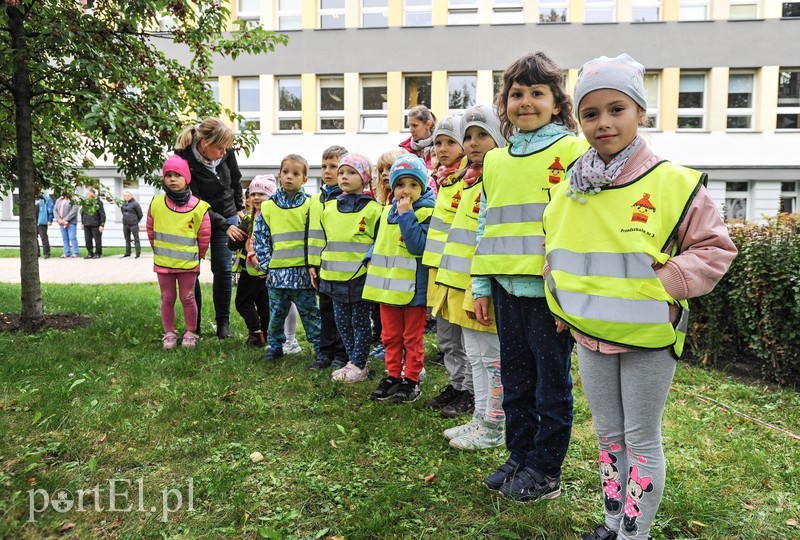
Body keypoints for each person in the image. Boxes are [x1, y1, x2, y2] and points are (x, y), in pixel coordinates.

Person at [542, 54, 737, 540]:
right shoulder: (571, 189)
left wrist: (665, 285)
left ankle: (635, 533)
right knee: (608, 436)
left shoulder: (672, 183)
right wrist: (561, 304)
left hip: (649, 336)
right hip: (591, 336)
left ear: (640, 114)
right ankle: (613, 524)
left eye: (616, 109)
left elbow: (715, 249)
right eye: (590, 113)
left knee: (641, 437)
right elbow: (554, 251)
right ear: (578, 120)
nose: (603, 122)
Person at [471, 51, 590, 502]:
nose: (525, 101)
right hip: (504, 288)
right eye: (516, 93)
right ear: (505, 103)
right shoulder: (496, 160)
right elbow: (486, 225)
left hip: (548, 295)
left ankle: (545, 470)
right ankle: (518, 455)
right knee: (516, 382)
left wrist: (569, 297)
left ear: (557, 103)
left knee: (550, 386)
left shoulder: (573, 151)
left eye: (537, 93)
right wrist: (481, 284)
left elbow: (583, 225)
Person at [435, 104, 507, 450]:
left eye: (483, 135)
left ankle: (496, 422)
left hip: (485, 284)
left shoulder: (495, 180)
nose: (474, 143)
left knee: (492, 357)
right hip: (467, 284)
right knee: (476, 355)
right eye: (468, 136)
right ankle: (481, 416)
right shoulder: (469, 181)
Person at [362, 154, 435, 403]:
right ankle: (393, 375)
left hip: (414, 291)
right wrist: (369, 257)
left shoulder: (425, 212)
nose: (406, 190)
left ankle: (411, 379)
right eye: (401, 184)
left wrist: (407, 215)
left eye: (413, 185)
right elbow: (381, 240)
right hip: (388, 289)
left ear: (422, 187)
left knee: (411, 338)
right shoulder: (386, 212)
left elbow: (417, 245)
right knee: (390, 336)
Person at [310, 154, 382, 382]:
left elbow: (378, 243)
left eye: (351, 172)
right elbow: (322, 240)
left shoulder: (373, 210)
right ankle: (355, 360)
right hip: (333, 278)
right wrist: (315, 265)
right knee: (342, 323)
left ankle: (358, 363)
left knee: (360, 323)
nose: (344, 177)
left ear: (364, 177)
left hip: (360, 278)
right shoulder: (329, 208)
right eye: (341, 173)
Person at [421, 114, 474, 417]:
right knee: (446, 339)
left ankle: (471, 392)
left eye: (450, 142)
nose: (442, 148)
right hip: (440, 273)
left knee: (465, 339)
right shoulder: (442, 182)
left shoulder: (469, 181)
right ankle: (456, 385)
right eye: (438, 142)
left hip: (461, 274)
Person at [174, 118, 246, 339]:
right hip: (196, 218)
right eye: (219, 148)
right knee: (191, 271)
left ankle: (223, 324)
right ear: (204, 143)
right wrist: (224, 225)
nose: (224, 152)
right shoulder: (183, 159)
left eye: (227, 148)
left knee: (223, 270)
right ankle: (193, 326)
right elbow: (194, 200)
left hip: (227, 213)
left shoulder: (226, 151)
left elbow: (235, 181)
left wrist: (239, 208)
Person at [253, 154, 322, 362]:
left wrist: (315, 264)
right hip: (277, 274)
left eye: (295, 173)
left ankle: (320, 347)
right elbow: (261, 237)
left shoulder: (311, 205)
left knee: (310, 313)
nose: (289, 177)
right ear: (279, 175)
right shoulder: (268, 207)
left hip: (303, 274)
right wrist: (266, 265)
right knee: (276, 314)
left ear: (305, 179)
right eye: (285, 172)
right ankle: (275, 346)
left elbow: (317, 235)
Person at [146, 155, 211, 350]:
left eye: (178, 175)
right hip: (164, 263)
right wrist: (159, 251)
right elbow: (151, 230)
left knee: (187, 297)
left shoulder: (199, 207)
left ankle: (191, 332)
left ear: (187, 178)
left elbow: (204, 237)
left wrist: (195, 258)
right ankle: (169, 333)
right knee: (167, 298)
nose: (173, 179)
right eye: (168, 175)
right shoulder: (156, 203)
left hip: (188, 265)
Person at [306, 145, 350, 370]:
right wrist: (312, 263)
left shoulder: (349, 200)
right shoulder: (315, 200)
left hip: (343, 269)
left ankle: (342, 354)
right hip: (321, 267)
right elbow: (312, 234)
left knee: (341, 313)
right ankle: (325, 353)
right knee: (325, 311)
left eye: (334, 166)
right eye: (324, 166)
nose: (327, 171)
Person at [229, 175, 277, 347]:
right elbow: (233, 243)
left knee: (243, 303)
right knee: (264, 305)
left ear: (271, 196)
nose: (256, 197)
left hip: (254, 270)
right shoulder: (253, 219)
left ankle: (256, 332)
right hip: (261, 269)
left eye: (261, 194)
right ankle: (266, 337)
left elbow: (232, 244)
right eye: (253, 194)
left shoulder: (254, 220)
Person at [399, 105, 437, 176]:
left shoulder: (439, 146)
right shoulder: (405, 150)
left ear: (428, 124)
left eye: (415, 125)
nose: (411, 130)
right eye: (409, 126)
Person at [80, 187, 105, 259]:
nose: (86, 195)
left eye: (87, 194)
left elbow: (102, 214)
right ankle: (90, 253)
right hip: (86, 224)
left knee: (97, 240)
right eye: (86, 194)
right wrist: (82, 222)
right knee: (87, 240)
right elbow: (82, 213)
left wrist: (102, 224)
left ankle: (98, 253)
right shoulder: (85, 202)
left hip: (96, 224)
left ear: (92, 194)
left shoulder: (98, 202)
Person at [54, 190, 80, 258]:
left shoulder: (73, 200)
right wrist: (59, 219)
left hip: (71, 222)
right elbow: (55, 210)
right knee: (65, 238)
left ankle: (75, 252)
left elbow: (74, 211)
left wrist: (65, 220)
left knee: (72, 237)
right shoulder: (59, 200)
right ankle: (66, 252)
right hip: (61, 223)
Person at [121, 190, 144, 258]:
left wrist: (136, 220)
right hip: (125, 224)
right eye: (125, 196)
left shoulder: (135, 204)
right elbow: (123, 212)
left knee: (136, 239)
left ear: (131, 196)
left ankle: (137, 253)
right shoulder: (123, 204)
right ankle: (128, 252)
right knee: (127, 239)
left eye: (128, 195)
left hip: (133, 224)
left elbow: (140, 214)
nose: (126, 197)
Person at [36, 187, 54, 259]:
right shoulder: (30, 198)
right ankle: (36, 253)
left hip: (42, 221)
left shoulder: (46, 199)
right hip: (32, 221)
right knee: (33, 238)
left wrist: (50, 220)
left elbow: (50, 210)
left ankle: (47, 253)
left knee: (44, 237)